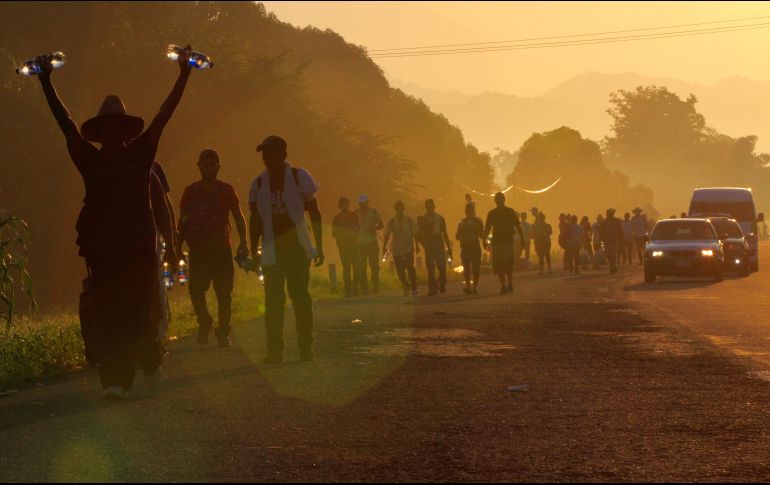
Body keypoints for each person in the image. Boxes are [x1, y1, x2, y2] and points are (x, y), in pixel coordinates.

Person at [36, 44, 192, 399]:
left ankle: (150, 363)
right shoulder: (89, 162)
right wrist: (46, 83)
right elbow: (66, 125)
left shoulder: (142, 154)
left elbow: (164, 114)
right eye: (104, 129)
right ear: (99, 133)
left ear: (125, 132)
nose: (110, 135)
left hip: (139, 251)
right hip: (103, 254)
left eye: (116, 128)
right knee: (109, 316)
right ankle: (116, 380)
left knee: (141, 314)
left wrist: (183, 75)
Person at [249, 136, 324, 364]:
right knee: (273, 302)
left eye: (271, 154)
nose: (267, 159)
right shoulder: (259, 183)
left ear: (283, 154)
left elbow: (314, 211)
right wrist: (254, 253)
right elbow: (255, 220)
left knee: (300, 297)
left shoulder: (299, 176)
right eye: (264, 154)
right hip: (272, 251)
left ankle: (305, 347)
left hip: (297, 249)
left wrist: (318, 245)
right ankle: (275, 350)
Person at [177, 149, 248, 348]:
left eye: (212, 164)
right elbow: (183, 220)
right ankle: (205, 321)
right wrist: (177, 245)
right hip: (198, 249)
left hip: (221, 249)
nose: (208, 168)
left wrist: (243, 241)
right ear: (199, 167)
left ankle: (223, 332)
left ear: (218, 167)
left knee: (224, 293)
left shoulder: (227, 190)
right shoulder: (191, 191)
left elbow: (238, 216)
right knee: (196, 291)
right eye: (204, 164)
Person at [151, 162, 176, 343]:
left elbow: (164, 204)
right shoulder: (102, 164)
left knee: (155, 283)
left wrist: (171, 240)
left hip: (149, 238)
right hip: (119, 241)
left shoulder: (152, 167)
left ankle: (158, 335)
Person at [484, 192, 524, 295]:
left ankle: (506, 285)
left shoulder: (498, 213)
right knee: (504, 264)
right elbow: (488, 228)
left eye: (499, 199)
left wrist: (484, 240)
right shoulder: (506, 212)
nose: (499, 201)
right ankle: (506, 285)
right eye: (498, 199)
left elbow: (487, 228)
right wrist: (522, 239)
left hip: (503, 242)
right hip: (501, 242)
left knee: (505, 264)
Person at [382, 201, 420, 298]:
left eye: (401, 207)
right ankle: (405, 286)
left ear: (403, 208)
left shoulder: (409, 220)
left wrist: (417, 245)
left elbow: (415, 233)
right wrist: (384, 246)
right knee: (400, 270)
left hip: (408, 247)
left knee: (410, 268)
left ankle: (414, 286)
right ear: (395, 209)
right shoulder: (391, 221)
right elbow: (387, 234)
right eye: (397, 208)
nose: (399, 209)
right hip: (396, 249)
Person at [417, 199, 452, 296]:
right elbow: (418, 234)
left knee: (442, 266)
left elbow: (444, 233)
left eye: (431, 206)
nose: (429, 208)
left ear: (433, 207)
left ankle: (441, 282)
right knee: (430, 268)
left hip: (438, 242)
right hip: (429, 243)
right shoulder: (422, 219)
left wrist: (448, 246)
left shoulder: (440, 218)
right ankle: (432, 289)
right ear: (426, 207)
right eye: (428, 206)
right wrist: (420, 244)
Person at [332, 197, 360, 298]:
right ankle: (348, 290)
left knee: (357, 267)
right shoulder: (337, 218)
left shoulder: (354, 216)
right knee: (347, 268)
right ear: (339, 206)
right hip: (344, 247)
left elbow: (358, 229)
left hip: (354, 245)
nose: (344, 205)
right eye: (342, 204)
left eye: (346, 203)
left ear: (348, 204)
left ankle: (356, 289)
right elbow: (335, 233)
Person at [356, 194, 383, 295]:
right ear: (359, 204)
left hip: (372, 242)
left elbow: (381, 224)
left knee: (374, 265)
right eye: (361, 204)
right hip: (360, 243)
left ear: (367, 203)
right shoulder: (356, 213)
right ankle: (364, 288)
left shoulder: (374, 212)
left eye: (364, 203)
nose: (362, 205)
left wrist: (374, 228)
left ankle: (375, 286)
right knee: (362, 266)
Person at [456, 203, 484, 294]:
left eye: (470, 210)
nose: (469, 212)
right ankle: (468, 287)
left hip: (475, 247)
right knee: (467, 268)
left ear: (473, 211)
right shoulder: (462, 223)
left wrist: (474, 230)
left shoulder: (478, 222)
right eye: (467, 210)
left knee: (475, 269)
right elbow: (457, 236)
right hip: (466, 247)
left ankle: (474, 287)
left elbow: (482, 235)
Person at [600, 208, 623, 274]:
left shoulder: (616, 221)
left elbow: (620, 230)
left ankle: (612, 268)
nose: (607, 215)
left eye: (609, 213)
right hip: (606, 241)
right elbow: (601, 231)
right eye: (607, 213)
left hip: (614, 240)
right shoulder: (604, 222)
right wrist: (600, 239)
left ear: (611, 214)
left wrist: (621, 239)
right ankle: (612, 266)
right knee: (607, 255)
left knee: (613, 254)